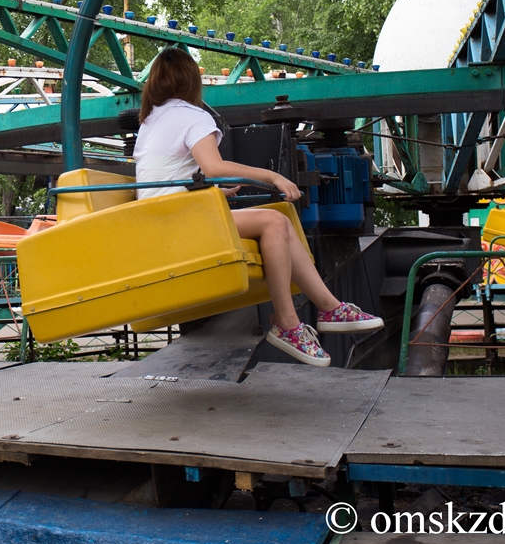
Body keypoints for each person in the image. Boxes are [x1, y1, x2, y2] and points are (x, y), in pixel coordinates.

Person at [132, 48, 383, 367]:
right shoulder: (192, 116)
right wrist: (273, 175)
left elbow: (166, 179)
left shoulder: (151, 120)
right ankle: (288, 323)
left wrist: (216, 193)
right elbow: (213, 166)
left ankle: (328, 306)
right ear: (192, 81)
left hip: (161, 219)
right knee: (274, 222)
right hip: (178, 222)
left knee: (278, 221)